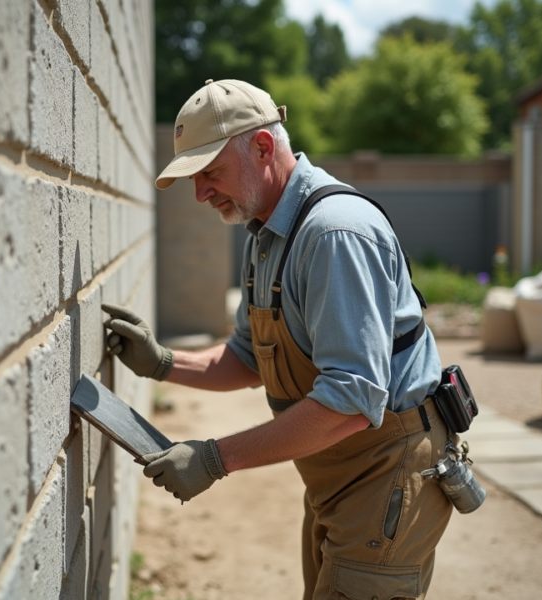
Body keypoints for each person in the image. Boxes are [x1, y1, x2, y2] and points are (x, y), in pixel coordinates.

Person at [103, 79, 453, 600]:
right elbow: (249, 356)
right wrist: (162, 363)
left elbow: (353, 401)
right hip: (335, 476)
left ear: (263, 147)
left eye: (210, 173)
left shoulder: (334, 234)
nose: (200, 194)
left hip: (387, 474)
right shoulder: (267, 233)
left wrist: (214, 458)